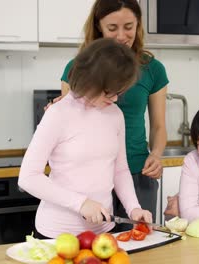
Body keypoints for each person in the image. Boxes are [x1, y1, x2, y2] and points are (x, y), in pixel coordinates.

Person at [18, 38, 152, 239]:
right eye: (109, 91)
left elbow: (120, 169)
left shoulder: (115, 115)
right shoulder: (58, 114)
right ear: (90, 80)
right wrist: (80, 203)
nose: (115, 98)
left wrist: (134, 209)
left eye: (120, 92)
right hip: (57, 235)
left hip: (103, 232)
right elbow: (28, 178)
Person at [54, 0, 168, 229]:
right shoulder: (75, 68)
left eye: (129, 26)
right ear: (98, 28)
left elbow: (158, 125)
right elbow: (67, 120)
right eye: (112, 28)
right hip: (90, 177)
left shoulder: (153, 69)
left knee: (139, 247)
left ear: (138, 25)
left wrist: (156, 154)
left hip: (137, 172)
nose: (122, 36)